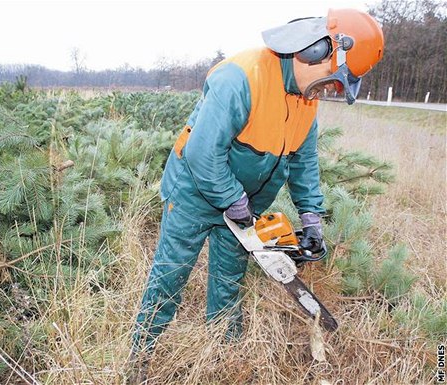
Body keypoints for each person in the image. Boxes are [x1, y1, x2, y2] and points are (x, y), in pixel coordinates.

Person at [128, 7, 384, 383]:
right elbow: (203, 153)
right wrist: (233, 199)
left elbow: (304, 160)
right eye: (333, 80)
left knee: (229, 284)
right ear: (317, 50)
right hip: (193, 192)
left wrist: (311, 217)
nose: (329, 89)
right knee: (171, 276)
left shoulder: (304, 100)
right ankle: (139, 358)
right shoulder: (242, 77)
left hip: (244, 206)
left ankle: (225, 358)